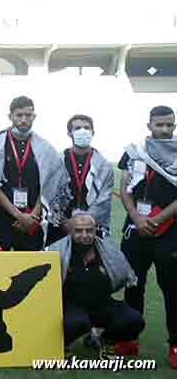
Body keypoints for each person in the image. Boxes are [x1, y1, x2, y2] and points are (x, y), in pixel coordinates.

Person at [117, 105, 177, 365]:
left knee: (173, 289)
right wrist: (137, 217)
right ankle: (129, 339)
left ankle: (175, 345)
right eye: (159, 124)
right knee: (133, 285)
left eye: (169, 125)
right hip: (136, 229)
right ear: (149, 125)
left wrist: (156, 220)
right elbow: (124, 186)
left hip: (169, 231)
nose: (164, 129)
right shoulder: (134, 150)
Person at [49, 213, 144, 359]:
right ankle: (61, 345)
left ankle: (106, 341)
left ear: (95, 230)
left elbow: (123, 276)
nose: (85, 235)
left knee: (134, 320)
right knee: (77, 323)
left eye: (89, 230)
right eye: (79, 231)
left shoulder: (109, 252)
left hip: (102, 304)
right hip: (71, 306)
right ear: (70, 231)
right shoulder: (56, 251)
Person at [0, 96, 68, 252]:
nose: (23, 120)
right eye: (19, 115)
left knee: (31, 267)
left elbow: (50, 185)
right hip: (2, 216)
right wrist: (18, 215)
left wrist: (33, 215)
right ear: (10, 117)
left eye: (28, 116)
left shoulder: (45, 147)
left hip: (33, 218)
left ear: (34, 117)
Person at [58, 115, 114, 243]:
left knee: (89, 262)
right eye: (77, 128)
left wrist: (81, 222)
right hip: (61, 225)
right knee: (59, 261)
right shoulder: (58, 161)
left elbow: (104, 199)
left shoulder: (104, 165)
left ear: (93, 133)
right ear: (69, 132)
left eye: (87, 128)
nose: (83, 131)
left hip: (91, 227)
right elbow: (51, 194)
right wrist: (63, 220)